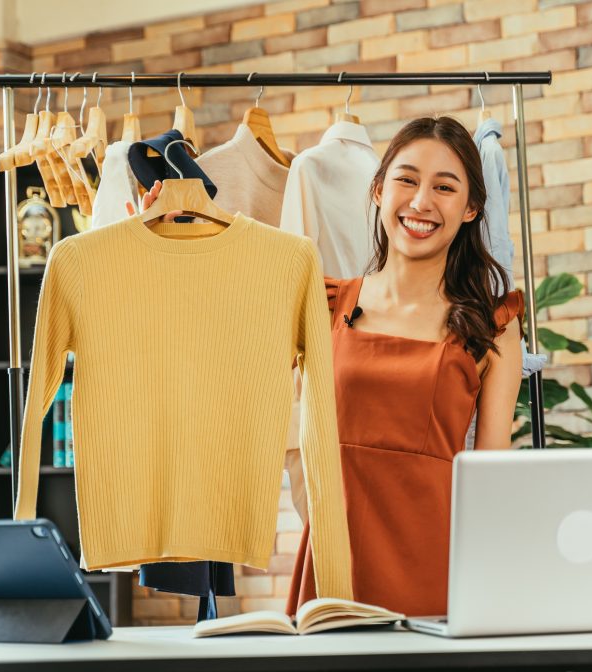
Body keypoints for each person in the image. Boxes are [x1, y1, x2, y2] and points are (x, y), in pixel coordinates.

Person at [130, 115, 523, 618]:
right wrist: (161, 246)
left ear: (470, 209)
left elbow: (492, 484)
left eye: (444, 187)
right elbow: (209, 336)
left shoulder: (493, 324)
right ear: (378, 190)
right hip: (333, 569)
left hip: (439, 574)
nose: (421, 202)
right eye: (406, 179)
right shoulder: (323, 301)